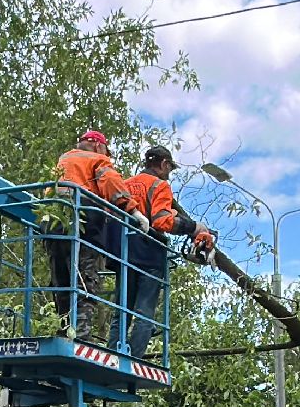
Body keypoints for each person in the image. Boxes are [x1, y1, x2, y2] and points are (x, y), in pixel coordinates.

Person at [121, 145, 217, 360]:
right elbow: (161, 220)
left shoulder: (124, 185)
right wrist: (193, 228)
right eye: (169, 169)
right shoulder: (159, 186)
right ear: (164, 164)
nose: (169, 174)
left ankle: (112, 351)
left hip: (123, 252)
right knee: (144, 311)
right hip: (149, 255)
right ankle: (135, 358)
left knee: (122, 309)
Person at [44, 130, 133, 339]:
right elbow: (112, 183)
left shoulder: (62, 162)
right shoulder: (97, 159)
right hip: (85, 229)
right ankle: (80, 336)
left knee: (61, 282)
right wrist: (132, 209)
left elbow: (47, 194)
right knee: (85, 282)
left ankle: (64, 330)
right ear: (98, 146)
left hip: (54, 226)